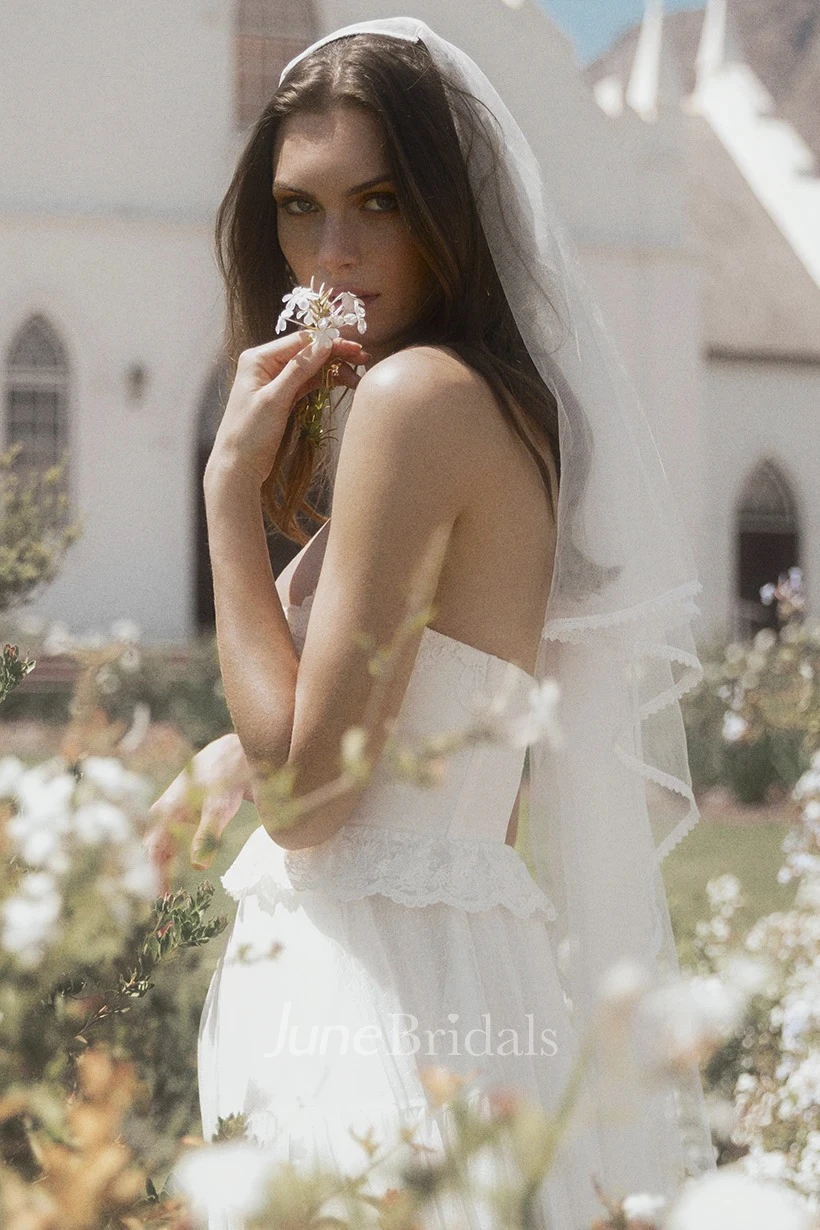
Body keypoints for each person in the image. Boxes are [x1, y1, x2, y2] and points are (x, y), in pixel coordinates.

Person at [151, 17, 717, 1228]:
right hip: (459, 982)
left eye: (380, 202)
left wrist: (224, 502)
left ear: (447, 212)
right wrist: (223, 759)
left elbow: (307, 800)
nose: (335, 253)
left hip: (375, 1010)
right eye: (300, 210)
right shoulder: (490, 407)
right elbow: (466, 769)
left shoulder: (414, 401)